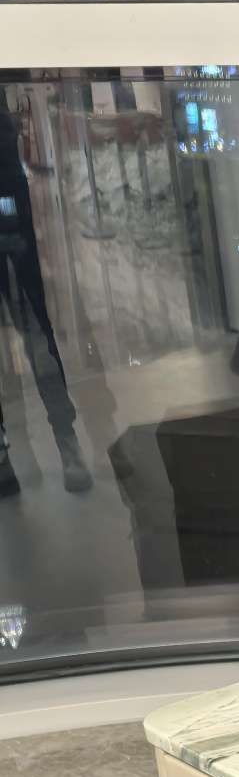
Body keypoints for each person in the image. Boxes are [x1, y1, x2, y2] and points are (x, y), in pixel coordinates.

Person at [0, 87, 90, 497]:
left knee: (38, 339)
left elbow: (12, 177)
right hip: (14, 230)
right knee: (35, 341)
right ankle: (13, 450)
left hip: (13, 234)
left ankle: (65, 440)